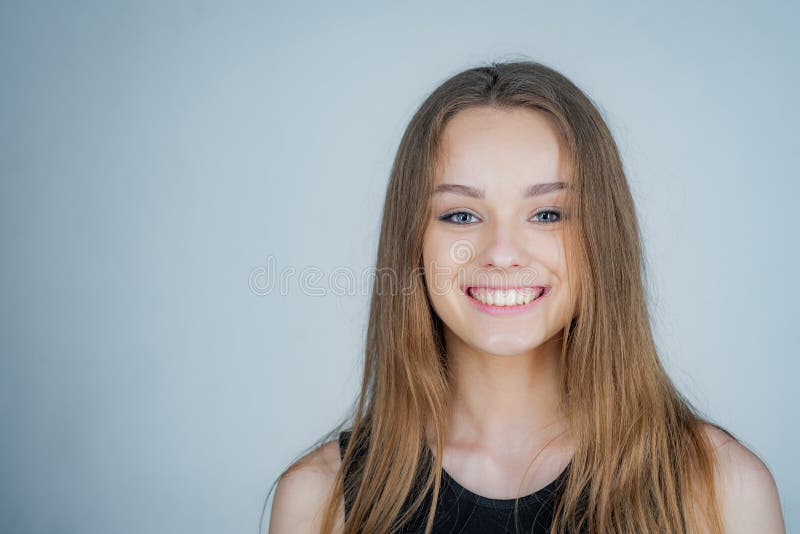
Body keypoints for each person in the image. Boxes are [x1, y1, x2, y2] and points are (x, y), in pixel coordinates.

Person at [266, 60, 785, 533]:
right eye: (461, 215)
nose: (503, 252)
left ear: (603, 239)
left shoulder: (721, 490)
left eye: (548, 214)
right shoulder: (320, 501)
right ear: (413, 243)